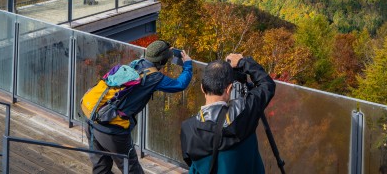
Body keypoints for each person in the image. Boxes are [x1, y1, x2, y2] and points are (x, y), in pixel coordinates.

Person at [86, 40, 193, 174]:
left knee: (101, 169)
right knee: (132, 170)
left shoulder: (135, 64)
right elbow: (179, 84)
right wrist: (188, 65)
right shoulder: (154, 77)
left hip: (92, 120)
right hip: (112, 130)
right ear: (162, 61)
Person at [180, 54, 276, 174]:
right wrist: (243, 62)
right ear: (229, 88)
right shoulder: (245, 113)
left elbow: (190, 161)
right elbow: (267, 85)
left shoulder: (188, 128)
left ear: (202, 88)